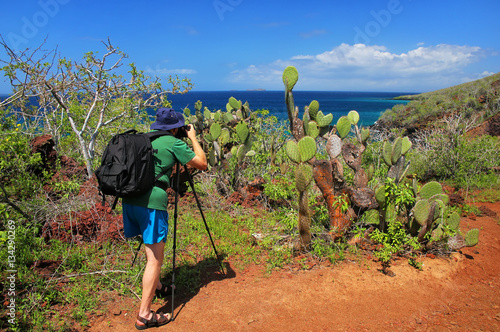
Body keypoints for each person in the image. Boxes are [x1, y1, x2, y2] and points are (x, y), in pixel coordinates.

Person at [122, 107, 207, 330]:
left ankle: (157, 285)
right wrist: (193, 138)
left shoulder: (143, 139)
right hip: (151, 205)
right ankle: (144, 315)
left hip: (130, 201)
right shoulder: (173, 143)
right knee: (155, 259)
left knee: (150, 249)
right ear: (176, 127)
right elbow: (202, 163)